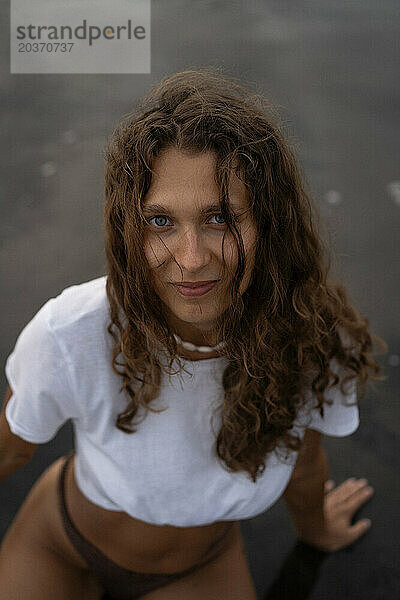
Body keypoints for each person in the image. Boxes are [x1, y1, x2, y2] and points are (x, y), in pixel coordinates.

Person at [0, 68, 386, 600]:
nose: (191, 258)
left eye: (220, 218)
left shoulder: (314, 341)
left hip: (198, 570)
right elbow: (10, 450)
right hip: (60, 542)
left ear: (268, 222)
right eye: (160, 221)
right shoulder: (73, 333)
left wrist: (316, 530)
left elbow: (304, 462)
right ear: (128, 228)